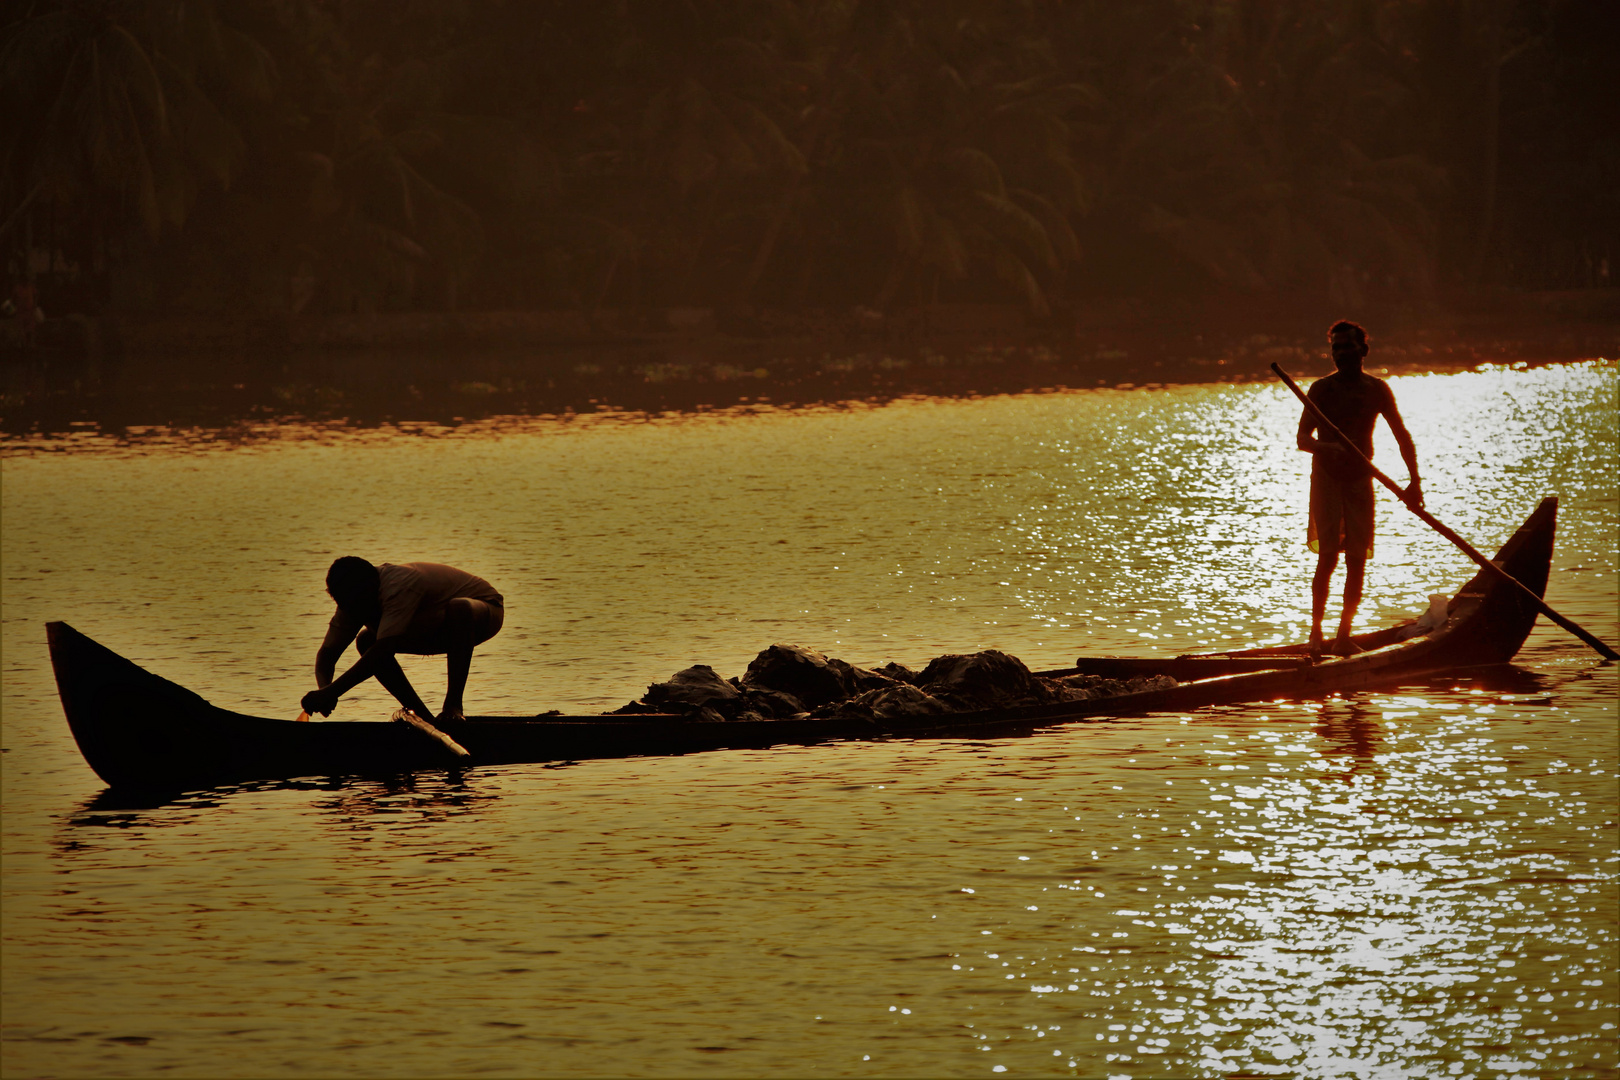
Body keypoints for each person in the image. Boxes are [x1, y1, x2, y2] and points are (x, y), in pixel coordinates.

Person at [1296, 320, 1423, 659]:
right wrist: (1328, 448)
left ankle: (1343, 636)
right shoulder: (1321, 390)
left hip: (1359, 480)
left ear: (1363, 350)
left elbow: (1401, 435)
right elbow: (1303, 439)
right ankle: (1316, 635)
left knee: (1356, 560)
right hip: (1327, 479)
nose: (1341, 355)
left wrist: (1414, 482)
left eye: (1348, 348)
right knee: (1327, 558)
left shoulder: (1376, 390)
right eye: (1336, 349)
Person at [302, 557, 504, 723]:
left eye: (357, 603)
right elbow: (327, 655)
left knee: (460, 608)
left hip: (486, 611)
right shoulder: (349, 602)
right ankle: (423, 718)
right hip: (432, 624)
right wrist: (325, 689)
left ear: (370, 589)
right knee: (366, 640)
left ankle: (453, 707)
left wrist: (332, 691)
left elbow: (385, 649)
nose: (353, 611)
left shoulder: (398, 585)